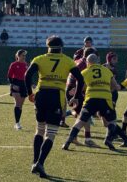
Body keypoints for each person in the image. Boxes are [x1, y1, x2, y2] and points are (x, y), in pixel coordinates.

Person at [25, 36, 84, 178]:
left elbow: (27, 75)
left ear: (48, 46)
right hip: (56, 96)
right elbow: (80, 79)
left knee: (39, 129)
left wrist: (30, 93)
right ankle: (40, 163)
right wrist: (75, 96)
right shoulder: (67, 60)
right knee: (50, 133)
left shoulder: (39, 58)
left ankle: (34, 161)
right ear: (62, 47)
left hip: (41, 94)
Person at [62, 54, 127, 151]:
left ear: (87, 62)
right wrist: (106, 90)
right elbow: (115, 86)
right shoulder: (107, 71)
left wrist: (75, 95)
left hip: (91, 99)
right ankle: (108, 139)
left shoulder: (84, 72)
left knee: (80, 122)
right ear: (98, 61)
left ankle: (68, 141)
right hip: (105, 99)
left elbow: (80, 87)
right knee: (112, 121)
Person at [65, 47, 98, 146]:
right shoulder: (84, 64)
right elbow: (80, 80)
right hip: (76, 91)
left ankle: (82, 138)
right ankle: (85, 139)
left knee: (83, 115)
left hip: (73, 89)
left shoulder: (79, 61)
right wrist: (76, 91)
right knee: (84, 116)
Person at [7, 50, 28, 130]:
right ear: (18, 56)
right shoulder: (14, 64)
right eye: (22, 55)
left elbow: (27, 77)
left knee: (20, 105)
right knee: (18, 104)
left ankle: (18, 122)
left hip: (24, 85)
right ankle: (17, 123)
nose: (24, 57)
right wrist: (13, 85)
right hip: (16, 84)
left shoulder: (26, 65)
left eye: (24, 55)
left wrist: (31, 84)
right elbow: (9, 76)